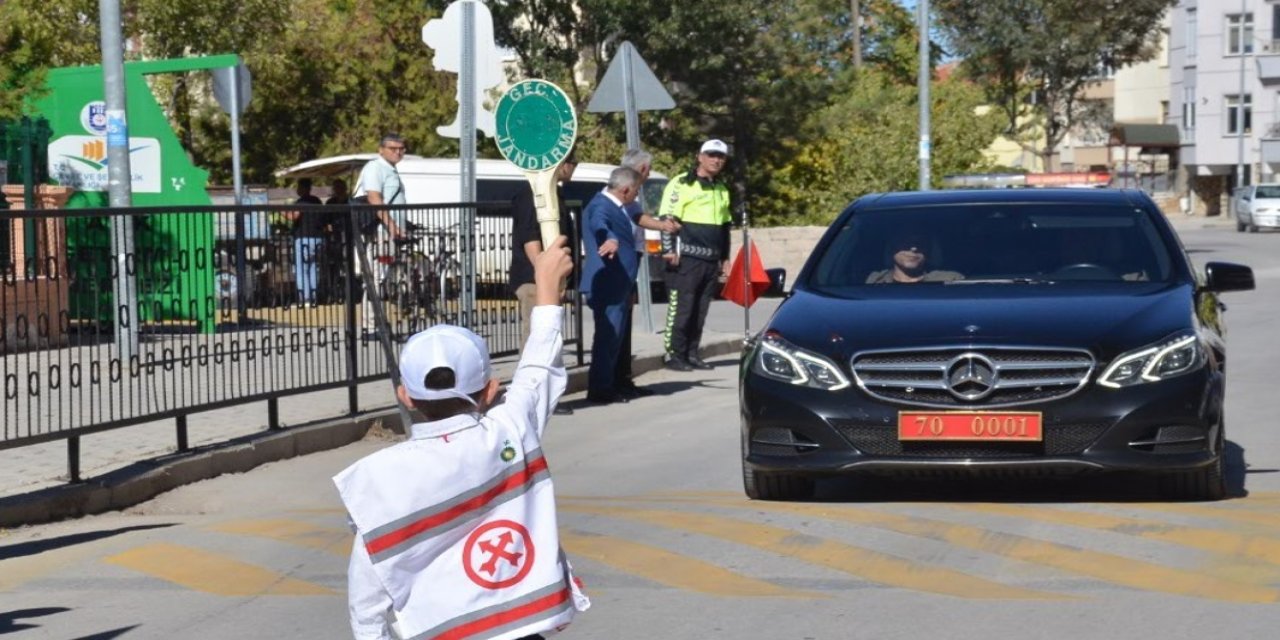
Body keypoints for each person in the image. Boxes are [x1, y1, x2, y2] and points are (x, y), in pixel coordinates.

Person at [334, 235, 589, 640]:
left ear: (405, 396)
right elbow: (540, 366)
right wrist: (548, 292)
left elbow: (367, 599)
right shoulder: (510, 431)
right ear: (490, 391)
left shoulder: (381, 481)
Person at [509, 152, 579, 415]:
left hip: (547, 278)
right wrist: (544, 272)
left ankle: (545, 395)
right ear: (560, 164)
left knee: (549, 336)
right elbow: (530, 236)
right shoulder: (531, 193)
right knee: (536, 337)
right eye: (572, 162)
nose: (574, 168)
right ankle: (532, 398)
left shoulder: (554, 192)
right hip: (533, 280)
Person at [658, 139, 733, 372]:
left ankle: (692, 353)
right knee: (683, 307)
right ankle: (674, 354)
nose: (716, 160)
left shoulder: (721, 188)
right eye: (711, 155)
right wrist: (669, 250)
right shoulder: (681, 183)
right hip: (686, 258)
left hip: (711, 259)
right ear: (699, 157)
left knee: (701, 309)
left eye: (720, 156)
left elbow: (724, 227)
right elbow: (667, 219)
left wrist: (725, 258)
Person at [615, 149, 680, 397]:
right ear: (642, 169)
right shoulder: (622, 191)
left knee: (623, 329)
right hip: (619, 267)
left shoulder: (631, 193)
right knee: (615, 330)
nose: (649, 173)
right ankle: (614, 382)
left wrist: (662, 225)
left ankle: (623, 380)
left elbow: (638, 217)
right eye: (648, 169)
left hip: (628, 266)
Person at [580, 167, 643, 404]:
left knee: (613, 337)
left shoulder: (614, 206)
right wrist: (609, 237)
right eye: (635, 192)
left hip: (618, 284)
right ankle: (600, 390)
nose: (635, 197)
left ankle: (611, 384)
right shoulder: (601, 205)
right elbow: (599, 223)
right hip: (608, 283)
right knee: (607, 337)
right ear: (626, 190)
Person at [353, 134, 409, 336]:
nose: (398, 152)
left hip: (388, 233)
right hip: (380, 233)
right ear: (381, 149)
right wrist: (392, 226)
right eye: (393, 148)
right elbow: (374, 197)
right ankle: (371, 326)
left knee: (382, 279)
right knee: (376, 279)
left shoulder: (391, 170)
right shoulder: (375, 167)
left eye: (401, 148)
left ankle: (377, 322)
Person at [284, 179, 325, 307]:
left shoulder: (301, 202)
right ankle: (313, 297)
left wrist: (283, 212)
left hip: (304, 238)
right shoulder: (317, 201)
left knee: (302, 269)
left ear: (303, 188)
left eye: (298, 187)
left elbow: (294, 216)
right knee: (313, 268)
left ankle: (305, 298)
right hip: (318, 237)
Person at [865, 232, 963, 283]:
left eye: (920, 243)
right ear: (891, 247)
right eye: (905, 242)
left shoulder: (950, 280)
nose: (913, 248)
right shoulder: (874, 281)